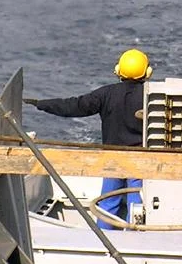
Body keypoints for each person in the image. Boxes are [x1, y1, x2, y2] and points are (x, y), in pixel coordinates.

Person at [25, 48, 153, 229]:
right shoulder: (152, 96)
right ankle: (135, 239)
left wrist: (42, 104)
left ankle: (103, 241)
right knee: (137, 205)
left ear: (118, 71)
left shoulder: (106, 94)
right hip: (140, 160)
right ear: (147, 72)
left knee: (108, 204)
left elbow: (74, 106)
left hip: (112, 159)